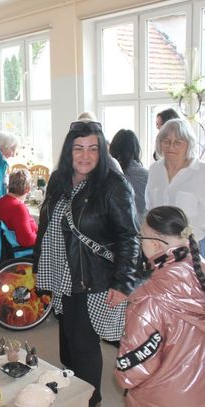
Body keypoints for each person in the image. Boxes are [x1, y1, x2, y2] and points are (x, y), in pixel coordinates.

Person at [34, 120, 140, 407]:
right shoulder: (58, 179)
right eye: (78, 148)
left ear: (102, 151)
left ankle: (91, 400)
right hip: (62, 273)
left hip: (92, 276)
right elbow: (45, 225)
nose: (85, 155)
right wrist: (38, 264)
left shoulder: (113, 184)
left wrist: (123, 283)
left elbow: (129, 236)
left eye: (93, 148)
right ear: (69, 150)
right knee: (69, 341)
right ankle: (75, 393)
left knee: (83, 345)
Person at [115, 206, 205, 406]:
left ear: (154, 244)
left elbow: (131, 373)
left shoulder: (148, 299)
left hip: (161, 397)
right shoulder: (199, 270)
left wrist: (123, 376)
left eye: (141, 237)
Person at [145, 118, 205, 256]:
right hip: (161, 247)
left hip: (195, 246)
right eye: (166, 141)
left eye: (178, 142)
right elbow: (150, 209)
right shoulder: (155, 170)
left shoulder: (202, 172)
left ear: (189, 144)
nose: (171, 147)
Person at [109, 129, 149, 224]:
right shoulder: (148, 175)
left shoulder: (109, 174)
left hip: (115, 225)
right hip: (143, 226)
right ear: (136, 149)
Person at [0, 169, 37, 248]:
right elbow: (26, 240)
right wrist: (41, 237)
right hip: (18, 250)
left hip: (5, 246)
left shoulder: (1, 201)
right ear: (27, 189)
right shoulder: (18, 207)